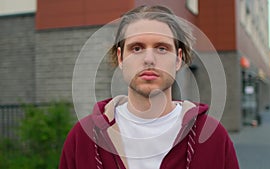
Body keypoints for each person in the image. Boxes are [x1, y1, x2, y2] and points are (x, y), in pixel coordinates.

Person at [59, 5, 240, 169]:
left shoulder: (212, 137)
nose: (149, 59)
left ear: (178, 59)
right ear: (121, 58)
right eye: (137, 48)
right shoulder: (83, 138)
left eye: (161, 48)